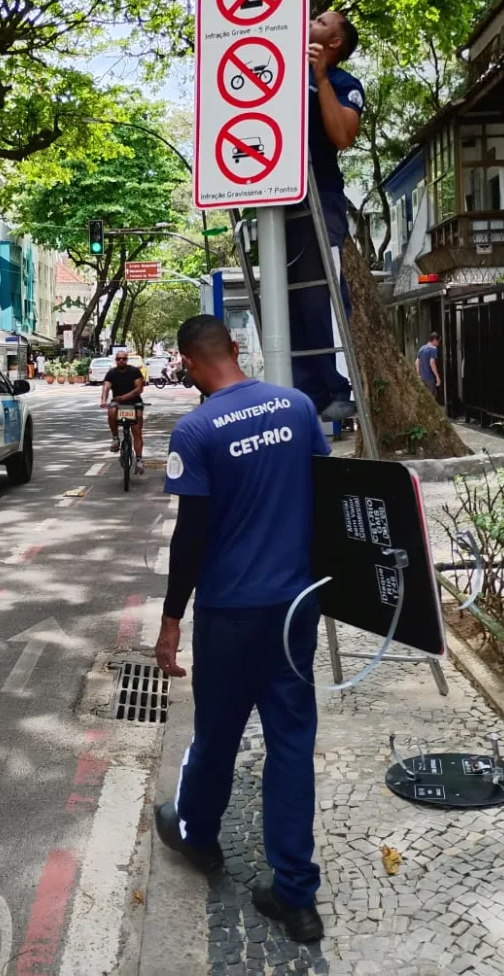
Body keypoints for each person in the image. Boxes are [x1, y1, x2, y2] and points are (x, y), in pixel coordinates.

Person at [154, 315, 330, 944]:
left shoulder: (196, 429)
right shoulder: (298, 405)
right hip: (293, 609)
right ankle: (296, 896)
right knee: (289, 740)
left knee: (217, 735)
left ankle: (198, 834)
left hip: (229, 614)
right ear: (234, 350)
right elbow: (329, 492)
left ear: (188, 364)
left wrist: (172, 619)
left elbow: (190, 536)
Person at [285, 11, 365, 423]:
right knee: (288, 300)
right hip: (277, 199)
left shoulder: (342, 84)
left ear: (334, 42)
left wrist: (319, 80)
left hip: (321, 198)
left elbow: (342, 136)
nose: (310, 21)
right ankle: (305, 392)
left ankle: (337, 388)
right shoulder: (279, 65)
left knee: (322, 298)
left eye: (319, 20)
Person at [101, 350, 145, 474]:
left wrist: (123, 398)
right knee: (111, 411)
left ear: (127, 360)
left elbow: (139, 389)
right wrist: (104, 400)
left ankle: (139, 459)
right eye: (119, 358)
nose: (121, 360)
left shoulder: (135, 371)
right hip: (118, 403)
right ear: (116, 360)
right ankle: (115, 438)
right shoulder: (111, 373)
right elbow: (106, 387)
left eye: (124, 358)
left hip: (134, 403)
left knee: (137, 430)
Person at [415, 333, 441, 398]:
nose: (438, 344)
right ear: (435, 340)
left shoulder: (421, 348)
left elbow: (417, 362)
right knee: (432, 397)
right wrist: (437, 376)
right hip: (430, 378)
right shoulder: (433, 349)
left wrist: (419, 375)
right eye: (438, 341)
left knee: (425, 398)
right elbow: (432, 362)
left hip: (422, 378)